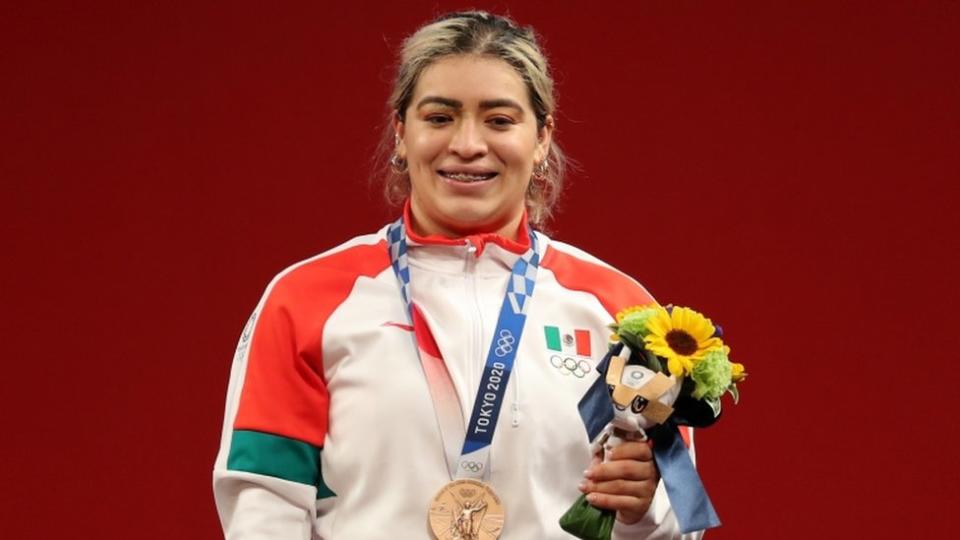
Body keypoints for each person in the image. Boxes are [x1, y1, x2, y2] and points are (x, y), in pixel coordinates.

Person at [214, 11, 703, 539]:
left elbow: (679, 518)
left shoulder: (619, 310)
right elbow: (264, 505)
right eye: (440, 117)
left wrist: (645, 509)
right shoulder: (308, 299)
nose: (468, 144)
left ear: (541, 137)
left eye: (499, 120)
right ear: (401, 132)